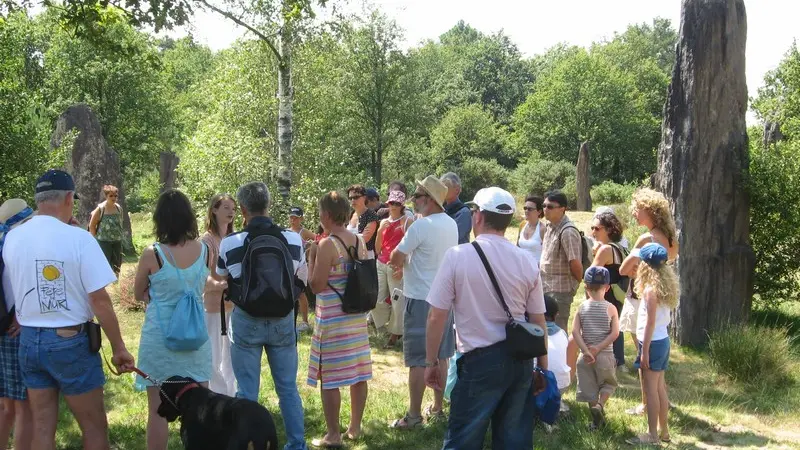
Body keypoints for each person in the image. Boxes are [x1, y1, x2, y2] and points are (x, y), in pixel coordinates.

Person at [2, 169, 134, 450]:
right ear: (69, 198)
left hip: (29, 340)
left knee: (41, 427)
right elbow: (99, 300)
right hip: (69, 340)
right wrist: (119, 347)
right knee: (94, 427)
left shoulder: (12, 238)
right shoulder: (80, 239)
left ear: (38, 200)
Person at [423, 187, 547, 449]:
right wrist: (542, 369)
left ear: (477, 216)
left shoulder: (458, 256)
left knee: (463, 440)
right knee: (514, 441)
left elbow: (436, 316)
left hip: (479, 361)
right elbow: (538, 322)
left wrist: (431, 361)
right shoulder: (526, 260)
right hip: (520, 361)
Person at [215, 182, 308, 450]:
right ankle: (297, 444)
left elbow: (222, 278)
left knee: (246, 392)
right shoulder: (293, 239)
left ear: (242, 209)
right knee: (288, 389)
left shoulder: (230, 243)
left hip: (246, 321)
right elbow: (301, 277)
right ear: (268, 205)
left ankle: (246, 444)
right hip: (282, 320)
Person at [133, 189, 213, 450]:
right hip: (196, 337)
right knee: (202, 407)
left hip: (160, 337)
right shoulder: (205, 251)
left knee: (157, 409)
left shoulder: (152, 254)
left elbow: (138, 293)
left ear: (160, 220)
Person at [389, 175, 458, 429]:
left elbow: (397, 255)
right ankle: (438, 408)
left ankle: (414, 415)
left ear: (428, 199)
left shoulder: (421, 226)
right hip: (444, 299)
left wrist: (402, 264)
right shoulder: (450, 224)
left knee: (418, 359)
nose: (413, 201)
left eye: (417, 196)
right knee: (440, 355)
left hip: (419, 299)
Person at [307, 192, 372, 448]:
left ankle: (333, 435)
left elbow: (316, 285)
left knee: (330, 377)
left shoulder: (326, 245)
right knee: (358, 374)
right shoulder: (359, 239)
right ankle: (354, 428)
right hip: (355, 318)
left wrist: (312, 257)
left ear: (326, 215)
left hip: (333, 320)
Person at [619, 188, 679, 416]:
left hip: (641, 300)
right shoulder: (672, 238)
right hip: (663, 299)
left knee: (644, 359)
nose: (634, 213)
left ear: (650, 211)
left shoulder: (647, 239)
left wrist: (637, 267)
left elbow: (625, 269)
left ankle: (647, 405)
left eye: (638, 208)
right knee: (657, 363)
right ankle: (662, 400)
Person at [625, 243, 678, 446]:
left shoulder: (650, 290)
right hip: (662, 340)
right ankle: (664, 432)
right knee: (660, 389)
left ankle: (652, 436)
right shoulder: (666, 286)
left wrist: (644, 351)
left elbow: (650, 322)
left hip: (653, 342)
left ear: (645, 265)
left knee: (651, 391)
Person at [0, 199, 34, 450]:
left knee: (5, 406)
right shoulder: (16, 247)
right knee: (25, 407)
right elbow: (19, 292)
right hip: (13, 333)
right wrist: (23, 317)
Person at [572, 267, 620, 431]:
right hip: (604, 355)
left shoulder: (581, 307)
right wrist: (598, 348)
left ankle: (595, 423)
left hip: (585, 358)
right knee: (609, 384)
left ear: (586, 287)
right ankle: (600, 405)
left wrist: (586, 350)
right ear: (607, 287)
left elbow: (574, 332)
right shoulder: (611, 308)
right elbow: (615, 333)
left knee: (589, 389)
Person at [200, 193, 237, 397]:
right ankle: (217, 394)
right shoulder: (206, 241)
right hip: (213, 308)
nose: (231, 212)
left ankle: (232, 394)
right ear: (214, 210)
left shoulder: (234, 239)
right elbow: (202, 277)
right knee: (213, 355)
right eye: (226, 207)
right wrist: (221, 284)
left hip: (234, 306)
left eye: (233, 208)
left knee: (231, 355)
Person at [373, 190, 413, 347]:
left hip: (397, 266)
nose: (394, 206)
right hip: (381, 263)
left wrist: (404, 268)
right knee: (377, 299)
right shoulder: (383, 222)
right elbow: (377, 249)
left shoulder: (407, 221)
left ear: (402, 205)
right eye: (391, 203)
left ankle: (395, 335)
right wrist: (380, 230)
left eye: (397, 203)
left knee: (397, 301)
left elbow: (411, 248)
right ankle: (384, 327)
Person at [540, 191, 584, 331]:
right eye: (544, 206)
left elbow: (576, 263)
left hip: (560, 291)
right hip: (546, 287)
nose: (545, 209)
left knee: (558, 331)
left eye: (550, 206)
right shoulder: (549, 227)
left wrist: (573, 285)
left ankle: (563, 354)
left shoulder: (568, 231)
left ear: (562, 208)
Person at [590, 210, 627, 368]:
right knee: (616, 328)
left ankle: (609, 362)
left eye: (597, 229)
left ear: (609, 230)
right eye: (592, 228)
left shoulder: (605, 250)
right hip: (617, 295)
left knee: (605, 329)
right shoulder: (619, 247)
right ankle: (619, 362)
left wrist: (595, 253)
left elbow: (590, 273)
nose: (593, 232)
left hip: (606, 295)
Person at [289, 206, 316, 332]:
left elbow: (318, 239)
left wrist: (310, 248)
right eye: (291, 217)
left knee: (301, 293)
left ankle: (305, 321)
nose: (293, 220)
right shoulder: (287, 231)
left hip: (301, 266)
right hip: (289, 265)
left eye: (296, 218)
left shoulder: (303, 232)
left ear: (301, 219)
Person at [89, 185, 124, 277]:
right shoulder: (100, 209)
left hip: (117, 240)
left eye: (115, 196)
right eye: (111, 196)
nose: (114, 198)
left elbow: (120, 223)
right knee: (104, 263)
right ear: (106, 196)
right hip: (104, 241)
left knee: (117, 263)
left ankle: (116, 282)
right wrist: (95, 240)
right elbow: (92, 226)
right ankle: (104, 282)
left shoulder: (119, 208)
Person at [543, 294, 571, 406]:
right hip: (563, 384)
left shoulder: (533, 333)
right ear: (556, 315)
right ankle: (555, 402)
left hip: (541, 384)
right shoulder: (563, 333)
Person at [347, 185, 380, 259]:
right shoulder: (350, 214)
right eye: (350, 198)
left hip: (366, 258)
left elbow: (365, 238)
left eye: (356, 197)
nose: (352, 200)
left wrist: (345, 238)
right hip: (349, 256)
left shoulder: (371, 214)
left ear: (364, 197)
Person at [440, 172, 472, 244]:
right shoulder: (441, 208)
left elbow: (454, 236)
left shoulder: (463, 212)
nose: (442, 191)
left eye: (445, 188)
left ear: (457, 190)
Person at [517, 194, 546, 265]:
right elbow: (517, 248)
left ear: (539, 211)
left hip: (537, 271)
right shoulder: (522, 225)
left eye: (530, 209)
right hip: (521, 269)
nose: (526, 211)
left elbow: (547, 254)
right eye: (525, 208)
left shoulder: (543, 229)